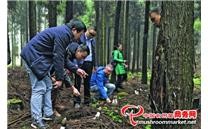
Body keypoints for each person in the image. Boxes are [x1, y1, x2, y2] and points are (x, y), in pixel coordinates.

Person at [20, 19, 88, 129]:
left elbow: (64, 59)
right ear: (74, 30)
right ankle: (36, 120)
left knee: (47, 85)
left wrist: (76, 69)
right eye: (80, 34)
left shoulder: (65, 35)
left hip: (39, 59)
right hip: (33, 57)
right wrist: (60, 79)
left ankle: (48, 114)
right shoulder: (63, 34)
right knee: (39, 88)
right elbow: (58, 57)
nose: (80, 38)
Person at [51, 43, 90, 116]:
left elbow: (66, 64)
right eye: (82, 56)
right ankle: (50, 109)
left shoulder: (72, 53)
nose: (82, 59)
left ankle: (54, 105)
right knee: (54, 85)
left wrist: (76, 69)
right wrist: (73, 88)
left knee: (57, 85)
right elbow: (62, 70)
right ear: (78, 51)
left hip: (51, 70)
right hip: (44, 68)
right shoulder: (67, 52)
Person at [74, 26, 97, 108]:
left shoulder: (93, 41)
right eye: (90, 34)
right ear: (87, 30)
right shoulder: (80, 37)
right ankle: (76, 101)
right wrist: (75, 64)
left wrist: (95, 65)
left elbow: (94, 53)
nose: (91, 36)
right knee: (78, 82)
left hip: (89, 63)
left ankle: (87, 101)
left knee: (87, 83)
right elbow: (76, 50)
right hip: (80, 62)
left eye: (93, 35)